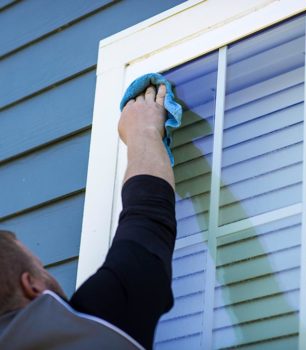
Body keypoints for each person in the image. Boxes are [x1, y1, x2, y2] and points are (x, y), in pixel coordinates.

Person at [0, 84, 177, 350]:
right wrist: (144, 130)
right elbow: (148, 218)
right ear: (32, 285)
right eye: (42, 269)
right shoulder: (83, 329)